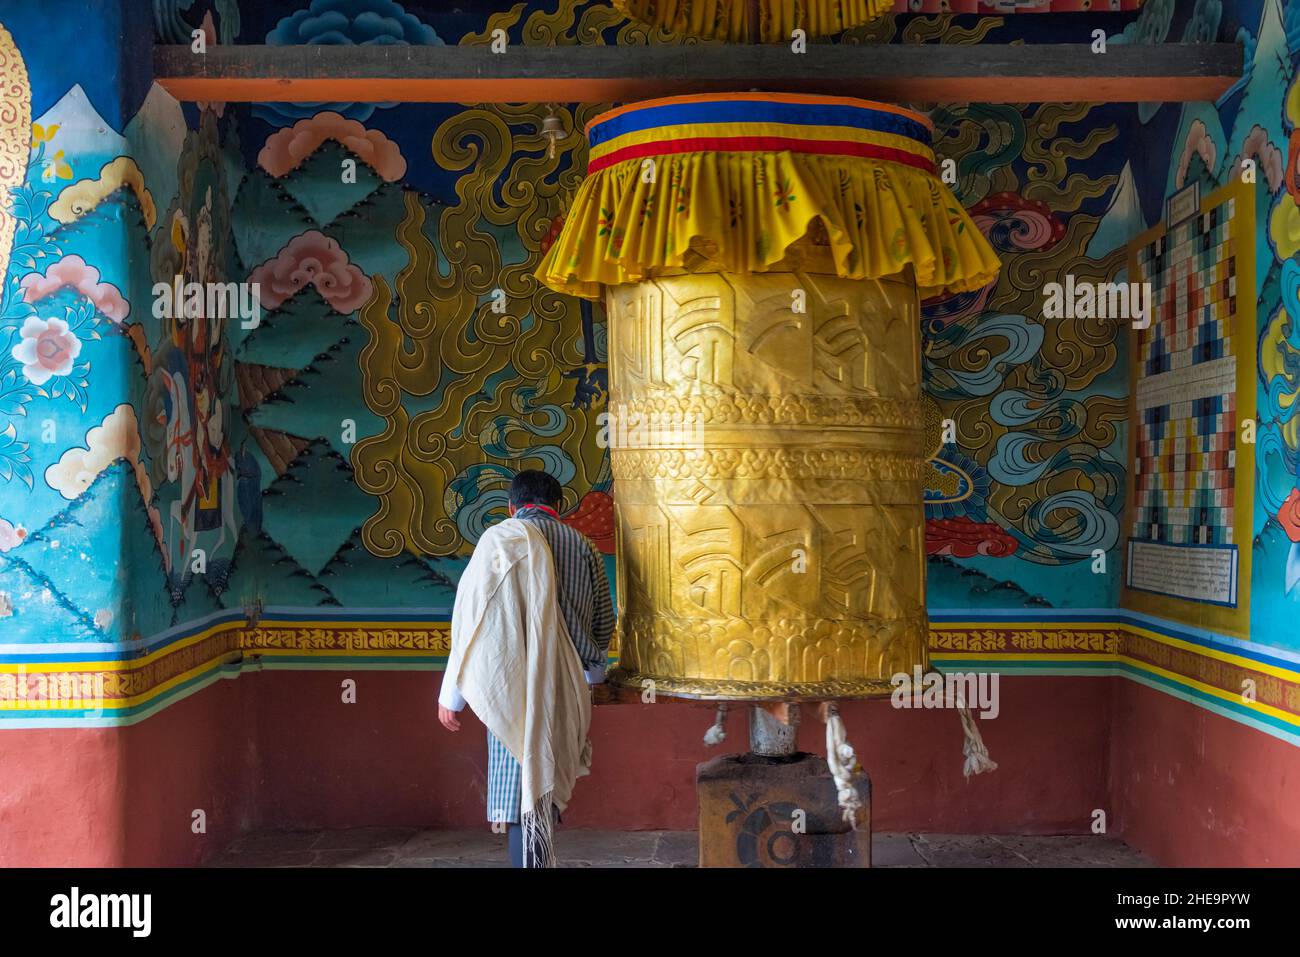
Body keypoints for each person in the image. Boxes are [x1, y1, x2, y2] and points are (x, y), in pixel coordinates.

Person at [438, 470, 615, 867]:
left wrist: (453, 696)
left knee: (521, 790)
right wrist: (591, 675)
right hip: (566, 683)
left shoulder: (498, 542)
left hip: (511, 682)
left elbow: (474, 621)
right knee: (547, 782)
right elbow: (603, 622)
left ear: (511, 507)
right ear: (558, 506)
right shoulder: (582, 544)